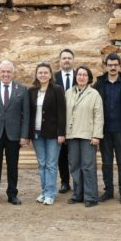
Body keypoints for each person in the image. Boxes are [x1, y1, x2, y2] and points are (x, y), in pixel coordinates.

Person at [0, 60, 30, 206]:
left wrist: (24, 135)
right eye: (3, 71)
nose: (6, 74)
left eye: (9, 71)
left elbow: (26, 115)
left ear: (13, 73)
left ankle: (12, 194)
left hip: (14, 135)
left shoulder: (21, 89)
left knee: (13, 166)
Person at [94, 53, 121, 204]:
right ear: (106, 66)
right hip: (104, 130)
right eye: (110, 65)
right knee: (106, 162)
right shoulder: (99, 83)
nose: (112, 67)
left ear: (119, 66)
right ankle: (109, 191)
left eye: (115, 65)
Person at [65, 66, 104, 207]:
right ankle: (78, 194)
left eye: (84, 75)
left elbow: (98, 116)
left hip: (88, 135)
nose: (81, 77)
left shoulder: (94, 94)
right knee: (74, 166)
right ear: (76, 76)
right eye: (79, 74)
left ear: (89, 78)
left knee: (88, 166)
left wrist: (96, 136)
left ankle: (91, 197)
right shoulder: (68, 93)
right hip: (72, 134)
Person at [28, 62, 66, 205]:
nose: (43, 75)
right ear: (36, 75)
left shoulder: (57, 89)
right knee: (41, 163)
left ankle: (50, 193)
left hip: (53, 134)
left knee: (51, 164)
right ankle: (44, 191)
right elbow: (29, 114)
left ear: (50, 75)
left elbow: (62, 113)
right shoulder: (31, 91)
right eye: (40, 72)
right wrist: (28, 133)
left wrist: (61, 133)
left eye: (45, 72)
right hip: (37, 133)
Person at [53, 48, 76, 193]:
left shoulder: (80, 76)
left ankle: (78, 182)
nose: (66, 60)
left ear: (73, 60)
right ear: (60, 61)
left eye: (69, 58)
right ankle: (65, 182)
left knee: (75, 155)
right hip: (58, 122)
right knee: (61, 155)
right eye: (64, 58)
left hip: (76, 122)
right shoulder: (53, 77)